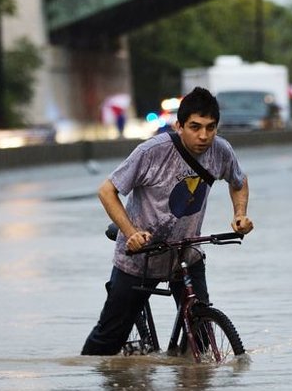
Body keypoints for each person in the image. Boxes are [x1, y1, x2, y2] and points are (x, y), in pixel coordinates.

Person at [81, 87, 254, 356]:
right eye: (195, 127)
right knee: (107, 341)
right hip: (140, 256)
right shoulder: (152, 152)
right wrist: (132, 233)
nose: (203, 136)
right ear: (179, 125)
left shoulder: (221, 151)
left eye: (211, 128)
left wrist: (239, 214)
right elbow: (107, 191)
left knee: (201, 338)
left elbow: (239, 181)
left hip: (186, 253)